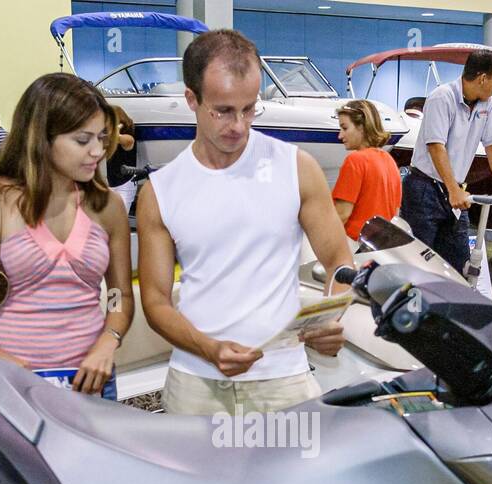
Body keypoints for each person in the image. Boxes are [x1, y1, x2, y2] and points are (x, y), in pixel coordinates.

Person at [138, 29, 353, 416]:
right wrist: (209, 349)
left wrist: (330, 317)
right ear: (192, 99)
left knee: (293, 478)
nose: (238, 124)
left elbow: (340, 261)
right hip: (195, 383)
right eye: (222, 110)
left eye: (249, 108)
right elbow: (154, 302)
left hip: (283, 380)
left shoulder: (297, 168)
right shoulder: (160, 191)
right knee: (197, 479)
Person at [0, 74, 134, 398]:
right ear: (42, 138)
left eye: (101, 138)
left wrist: (109, 339)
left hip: (92, 383)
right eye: (82, 140)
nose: (97, 151)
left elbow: (119, 295)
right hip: (14, 383)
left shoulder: (107, 205)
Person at [399, 50, 492, 276]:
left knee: (458, 263)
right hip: (424, 189)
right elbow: (436, 146)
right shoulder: (441, 97)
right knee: (419, 260)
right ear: (482, 78)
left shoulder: (487, 105)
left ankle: (448, 308)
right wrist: (452, 189)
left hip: (456, 191)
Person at [332, 99, 402, 241]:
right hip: (380, 246)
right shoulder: (389, 161)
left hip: (355, 246)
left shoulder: (355, 161)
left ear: (362, 127)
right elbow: (395, 213)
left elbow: (341, 215)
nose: (340, 136)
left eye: (344, 128)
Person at [106, 104, 140, 212]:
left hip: (126, 182)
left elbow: (128, 141)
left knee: (121, 217)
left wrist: (112, 132)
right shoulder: (110, 138)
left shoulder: (128, 135)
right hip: (112, 182)